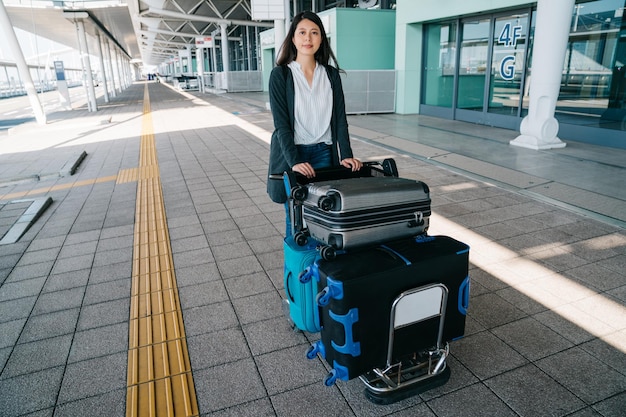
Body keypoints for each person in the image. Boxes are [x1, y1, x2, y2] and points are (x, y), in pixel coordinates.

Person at [266, 11, 362, 235]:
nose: (307, 38)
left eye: (314, 33)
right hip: (294, 154)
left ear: (321, 39)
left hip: (323, 153)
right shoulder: (281, 75)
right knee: (296, 217)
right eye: (302, 32)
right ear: (293, 38)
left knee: (323, 215)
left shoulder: (330, 75)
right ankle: (300, 268)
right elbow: (282, 125)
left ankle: (320, 267)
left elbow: (340, 120)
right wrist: (294, 161)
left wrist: (346, 154)